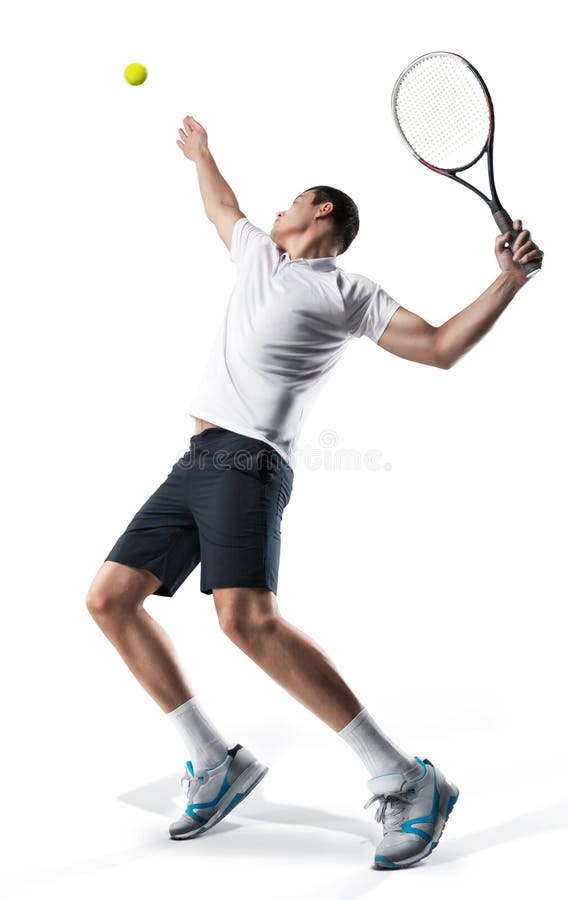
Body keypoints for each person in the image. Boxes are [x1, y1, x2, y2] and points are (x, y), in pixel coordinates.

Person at [86, 114, 544, 868]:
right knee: (108, 598)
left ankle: (406, 779)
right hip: (194, 462)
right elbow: (219, 206)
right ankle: (215, 760)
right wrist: (205, 154)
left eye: (293, 200)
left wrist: (507, 280)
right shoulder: (258, 255)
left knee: (247, 621)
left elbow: (437, 349)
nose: (276, 210)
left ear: (322, 210)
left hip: (250, 462)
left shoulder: (348, 291)